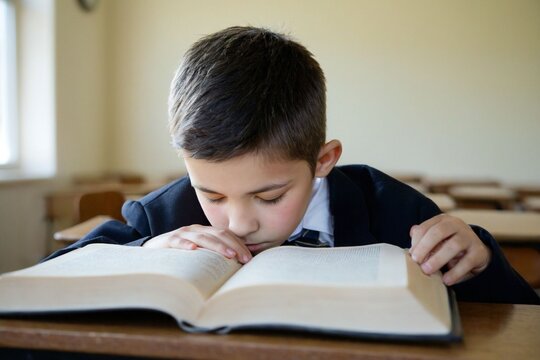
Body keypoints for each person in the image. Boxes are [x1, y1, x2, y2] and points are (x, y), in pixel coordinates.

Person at [45, 26, 539, 305]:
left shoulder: (393, 210)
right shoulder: (162, 215)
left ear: (323, 160)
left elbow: (519, 315)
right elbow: (45, 289)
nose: (238, 222)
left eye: (269, 196)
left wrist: (479, 259)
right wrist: (146, 250)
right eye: (211, 194)